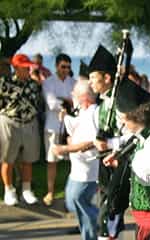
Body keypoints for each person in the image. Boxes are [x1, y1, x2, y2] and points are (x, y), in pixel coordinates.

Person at [103, 79, 150, 240]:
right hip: (146, 224)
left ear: (135, 116)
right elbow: (130, 139)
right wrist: (116, 150)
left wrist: (126, 162)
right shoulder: (146, 132)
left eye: (124, 120)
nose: (123, 126)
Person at [52, 80, 99, 239]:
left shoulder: (93, 113)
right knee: (72, 202)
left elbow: (91, 142)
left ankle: (99, 223)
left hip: (87, 172)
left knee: (79, 202)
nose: (71, 95)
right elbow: (77, 125)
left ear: (84, 97)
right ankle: (98, 220)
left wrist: (64, 148)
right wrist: (66, 118)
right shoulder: (84, 111)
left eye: (74, 93)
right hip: (77, 170)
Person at [87, 45, 124, 240]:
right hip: (105, 166)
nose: (91, 82)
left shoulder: (119, 103)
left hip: (116, 165)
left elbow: (131, 136)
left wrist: (109, 145)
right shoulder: (102, 104)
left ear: (107, 78)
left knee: (110, 216)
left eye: (94, 77)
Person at [0, 54, 42, 206]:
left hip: (30, 123)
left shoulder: (33, 84)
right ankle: (9, 190)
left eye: (28, 67)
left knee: (28, 159)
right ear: (16, 67)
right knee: (7, 159)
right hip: (10, 122)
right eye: (24, 67)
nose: (27, 69)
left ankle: (26, 190)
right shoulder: (5, 83)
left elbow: (37, 101)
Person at [42, 53, 76, 206]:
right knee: (52, 161)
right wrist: (66, 101)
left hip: (71, 128)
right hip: (53, 126)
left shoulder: (73, 82)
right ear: (56, 66)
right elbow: (51, 103)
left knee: (73, 162)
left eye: (68, 67)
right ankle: (50, 192)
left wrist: (65, 100)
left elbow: (77, 102)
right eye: (63, 66)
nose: (66, 70)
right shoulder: (48, 82)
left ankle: (71, 192)